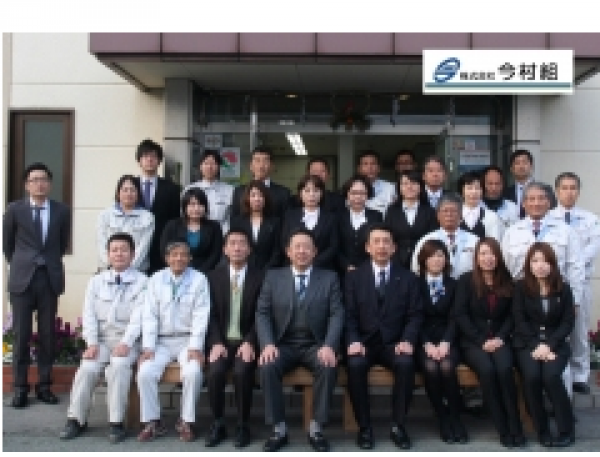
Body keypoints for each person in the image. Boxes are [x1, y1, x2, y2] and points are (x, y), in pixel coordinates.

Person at [256, 228, 344, 452]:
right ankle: (278, 428)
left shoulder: (330, 278)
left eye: (307, 247)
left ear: (315, 251)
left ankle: (317, 427)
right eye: (297, 247)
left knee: (328, 364)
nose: (302, 251)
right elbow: (262, 313)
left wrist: (329, 345)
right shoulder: (273, 277)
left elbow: (337, 314)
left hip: (315, 344)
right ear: (288, 251)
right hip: (283, 344)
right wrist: (267, 344)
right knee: (267, 365)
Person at [59, 233, 147, 442]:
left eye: (124, 250)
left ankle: (116, 423)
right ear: (108, 254)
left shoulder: (143, 282)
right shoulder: (96, 281)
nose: (119, 254)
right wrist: (91, 343)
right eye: (114, 250)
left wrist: (126, 343)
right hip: (101, 341)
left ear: (133, 254)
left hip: (129, 341)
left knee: (119, 366)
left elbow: (139, 318)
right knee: (87, 368)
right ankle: (76, 419)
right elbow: (89, 315)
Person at [345, 223, 423, 450]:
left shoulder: (408, 278)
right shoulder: (353, 278)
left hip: (394, 343)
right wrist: (353, 340)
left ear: (394, 247)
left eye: (386, 242)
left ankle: (398, 426)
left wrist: (407, 340)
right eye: (376, 242)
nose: (381, 246)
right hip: (364, 343)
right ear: (367, 247)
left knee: (406, 363)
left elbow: (415, 315)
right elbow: (348, 315)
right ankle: (364, 427)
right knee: (355, 365)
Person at [3, 162, 71, 408]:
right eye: (34, 180)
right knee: (21, 335)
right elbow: (7, 246)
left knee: (47, 335)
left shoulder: (62, 211)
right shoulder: (14, 210)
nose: (39, 184)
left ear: (50, 184)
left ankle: (44, 386)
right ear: (27, 185)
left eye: (44, 179)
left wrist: (47, 262)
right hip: (22, 279)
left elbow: (62, 244)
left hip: (48, 278)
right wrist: (24, 262)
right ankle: (20, 388)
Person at [453, 238, 526, 448]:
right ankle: (502, 428)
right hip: (474, 342)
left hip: (501, 339)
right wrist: (481, 340)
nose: (488, 258)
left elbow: (512, 315)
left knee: (504, 369)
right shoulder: (466, 281)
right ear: (476, 257)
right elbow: (460, 315)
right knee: (487, 370)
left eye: (492, 253)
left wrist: (500, 337)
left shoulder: (507, 280)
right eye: (483, 253)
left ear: (498, 257)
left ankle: (515, 426)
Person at [136, 240, 211, 442]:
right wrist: (148, 347)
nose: (179, 258)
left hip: (187, 341)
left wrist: (195, 346)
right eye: (174, 255)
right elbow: (149, 315)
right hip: (161, 341)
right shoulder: (155, 279)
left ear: (190, 258)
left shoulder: (199, 279)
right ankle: (152, 421)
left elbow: (201, 314)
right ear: (167, 258)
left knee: (193, 371)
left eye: (183, 255)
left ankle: (186, 421)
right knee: (145, 372)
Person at [205, 229, 265, 448]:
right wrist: (215, 342)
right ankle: (218, 423)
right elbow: (209, 314)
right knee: (215, 371)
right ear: (225, 249)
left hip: (247, 341)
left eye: (242, 243)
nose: (237, 247)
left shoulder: (261, 277)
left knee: (242, 371)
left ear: (249, 249)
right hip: (221, 341)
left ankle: (242, 424)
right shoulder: (213, 277)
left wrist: (250, 341)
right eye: (233, 243)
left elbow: (263, 314)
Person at [512, 242, 576, 448]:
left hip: (555, 344)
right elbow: (519, 320)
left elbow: (567, 322)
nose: (540, 265)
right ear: (529, 264)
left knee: (551, 376)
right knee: (531, 377)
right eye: (535, 261)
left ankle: (566, 430)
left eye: (545, 261)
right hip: (527, 343)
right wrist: (536, 345)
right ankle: (543, 430)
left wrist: (549, 345)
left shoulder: (564, 288)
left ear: (553, 264)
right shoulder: (520, 288)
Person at [547, 172, 600, 394]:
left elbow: (592, 248)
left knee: (579, 329)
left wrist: (573, 259)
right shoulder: (548, 218)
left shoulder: (591, 219)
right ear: (557, 191)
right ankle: (558, 371)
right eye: (565, 188)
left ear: (578, 191)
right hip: (553, 283)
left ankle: (580, 375)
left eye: (573, 188)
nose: (569, 192)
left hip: (580, 281)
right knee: (554, 328)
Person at [415, 239, 467, 444]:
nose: (436, 260)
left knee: (446, 366)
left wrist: (446, 342)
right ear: (423, 260)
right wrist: (426, 343)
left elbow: (456, 316)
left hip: (449, 339)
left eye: (440, 255)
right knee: (430, 367)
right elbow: (413, 316)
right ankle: (442, 417)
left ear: (446, 259)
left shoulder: (455, 285)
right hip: (423, 340)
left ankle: (456, 417)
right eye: (431, 256)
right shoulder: (414, 284)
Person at [134, 139, 181, 274]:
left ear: (159, 161)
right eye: (145, 156)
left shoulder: (172, 188)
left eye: (153, 156)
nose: (149, 160)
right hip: (135, 246)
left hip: (160, 247)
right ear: (139, 160)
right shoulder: (130, 185)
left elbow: (174, 220)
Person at [411, 194, 479, 279]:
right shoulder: (427, 239)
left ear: (461, 215)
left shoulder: (474, 240)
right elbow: (416, 268)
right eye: (445, 211)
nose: (449, 214)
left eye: (454, 211)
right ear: (438, 215)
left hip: (467, 285)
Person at [96, 175, 155, 273]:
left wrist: (128, 269)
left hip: (137, 271)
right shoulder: (105, 215)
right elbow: (101, 243)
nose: (129, 193)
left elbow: (143, 247)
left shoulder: (147, 217)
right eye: (125, 190)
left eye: (132, 190)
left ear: (138, 193)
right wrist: (112, 266)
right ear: (118, 193)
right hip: (108, 270)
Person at [281, 175, 339, 271]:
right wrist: (298, 261)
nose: (312, 194)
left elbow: (333, 246)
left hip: (323, 268)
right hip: (294, 268)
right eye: (307, 191)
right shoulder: (290, 216)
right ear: (300, 193)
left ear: (321, 193)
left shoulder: (331, 217)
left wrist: (313, 262)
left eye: (316, 190)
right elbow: (284, 242)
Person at [160, 187, 223, 274]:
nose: (196, 208)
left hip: (205, 272)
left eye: (200, 204)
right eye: (192, 204)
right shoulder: (172, 225)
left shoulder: (214, 227)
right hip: (176, 270)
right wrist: (177, 268)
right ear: (185, 207)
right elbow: (164, 250)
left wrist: (200, 273)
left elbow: (215, 254)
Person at [385, 170, 438, 269]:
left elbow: (432, 238)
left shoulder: (430, 211)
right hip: (396, 260)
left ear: (421, 187)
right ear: (399, 188)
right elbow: (388, 236)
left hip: (422, 260)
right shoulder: (391, 211)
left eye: (413, 183)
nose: (409, 187)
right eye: (405, 184)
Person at [230, 180, 282, 270]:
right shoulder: (237, 222)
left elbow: (277, 250)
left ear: (265, 199)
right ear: (248, 198)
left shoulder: (275, 222)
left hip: (269, 270)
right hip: (243, 269)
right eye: (253, 195)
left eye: (261, 195)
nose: (257, 199)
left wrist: (266, 270)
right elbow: (234, 246)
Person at [337, 175, 383, 274]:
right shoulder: (337, 217)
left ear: (368, 195)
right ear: (347, 194)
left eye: (362, 193)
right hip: (342, 271)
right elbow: (335, 247)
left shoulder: (376, 216)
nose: (358, 197)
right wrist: (346, 265)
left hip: (369, 270)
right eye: (354, 193)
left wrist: (366, 267)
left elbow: (377, 244)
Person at [231, 146, 292, 220]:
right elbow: (234, 220)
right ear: (251, 166)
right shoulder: (239, 191)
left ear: (272, 166)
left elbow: (286, 222)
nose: (261, 166)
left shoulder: (283, 193)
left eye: (265, 161)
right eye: (257, 161)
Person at [182, 150, 234, 233]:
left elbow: (232, 217)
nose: (209, 167)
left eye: (213, 163)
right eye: (206, 163)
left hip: (222, 234)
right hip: (196, 233)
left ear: (219, 167)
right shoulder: (189, 189)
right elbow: (184, 214)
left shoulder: (230, 190)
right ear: (200, 166)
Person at [503, 149, 557, 217]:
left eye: (524, 162)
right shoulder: (505, 193)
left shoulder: (545, 189)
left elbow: (553, 212)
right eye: (517, 163)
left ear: (531, 166)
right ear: (511, 169)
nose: (521, 166)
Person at [457, 171, 501, 241]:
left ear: (482, 191)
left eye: (477, 188)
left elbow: (494, 243)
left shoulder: (491, 217)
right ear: (462, 191)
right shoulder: (454, 215)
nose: (474, 192)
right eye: (469, 188)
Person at [482, 166, 520, 237]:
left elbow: (517, 233)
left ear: (502, 185)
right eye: (490, 183)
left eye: (497, 183)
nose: (494, 188)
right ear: (484, 184)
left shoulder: (512, 207)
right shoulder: (477, 207)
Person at [356, 150, 396, 216]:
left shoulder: (390, 188)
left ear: (379, 168)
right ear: (359, 169)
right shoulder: (352, 188)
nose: (369, 167)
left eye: (373, 164)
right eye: (365, 164)